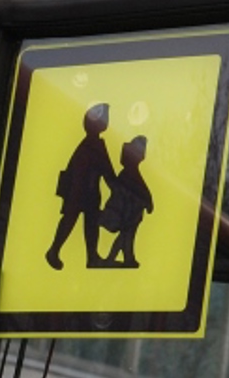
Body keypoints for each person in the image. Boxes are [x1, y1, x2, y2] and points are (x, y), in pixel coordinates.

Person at [46, 103, 115, 269]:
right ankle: (54, 250)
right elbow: (105, 170)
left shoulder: (96, 144)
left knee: (91, 223)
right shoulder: (90, 145)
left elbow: (107, 171)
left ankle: (92, 257)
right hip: (79, 191)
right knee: (70, 220)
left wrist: (115, 185)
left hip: (89, 192)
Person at [102, 135, 153, 268]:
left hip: (132, 212)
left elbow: (141, 189)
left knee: (126, 235)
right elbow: (138, 189)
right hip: (127, 212)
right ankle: (120, 258)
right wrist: (148, 201)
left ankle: (123, 258)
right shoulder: (128, 173)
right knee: (127, 235)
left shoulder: (131, 172)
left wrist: (147, 201)